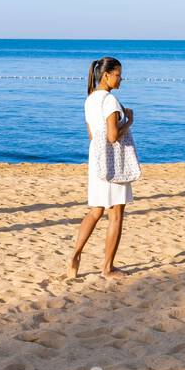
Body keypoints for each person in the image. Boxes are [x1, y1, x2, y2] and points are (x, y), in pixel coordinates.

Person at [66, 56, 134, 279]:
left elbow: (92, 135)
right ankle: (107, 268)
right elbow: (113, 136)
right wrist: (128, 122)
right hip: (114, 163)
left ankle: (75, 254)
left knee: (95, 211)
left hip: (96, 161)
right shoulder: (110, 101)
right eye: (118, 74)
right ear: (106, 75)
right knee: (116, 215)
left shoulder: (90, 100)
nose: (121, 79)